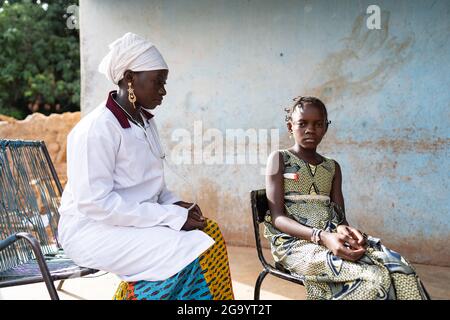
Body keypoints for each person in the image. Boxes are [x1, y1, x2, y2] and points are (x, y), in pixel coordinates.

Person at [57, 32, 233, 300]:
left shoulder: (145, 122)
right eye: (158, 82)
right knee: (187, 251)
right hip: (91, 230)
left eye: (164, 82)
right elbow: (96, 205)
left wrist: (175, 204)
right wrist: (168, 217)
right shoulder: (96, 130)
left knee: (211, 234)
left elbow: (153, 188)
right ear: (129, 78)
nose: (163, 90)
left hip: (130, 221)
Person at [264, 96, 429, 300]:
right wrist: (321, 236)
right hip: (295, 243)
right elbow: (278, 217)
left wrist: (347, 231)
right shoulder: (280, 159)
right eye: (302, 123)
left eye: (318, 124)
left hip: (333, 236)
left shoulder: (332, 167)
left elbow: (340, 218)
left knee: (399, 267)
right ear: (290, 127)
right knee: (374, 280)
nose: (310, 129)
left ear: (326, 127)